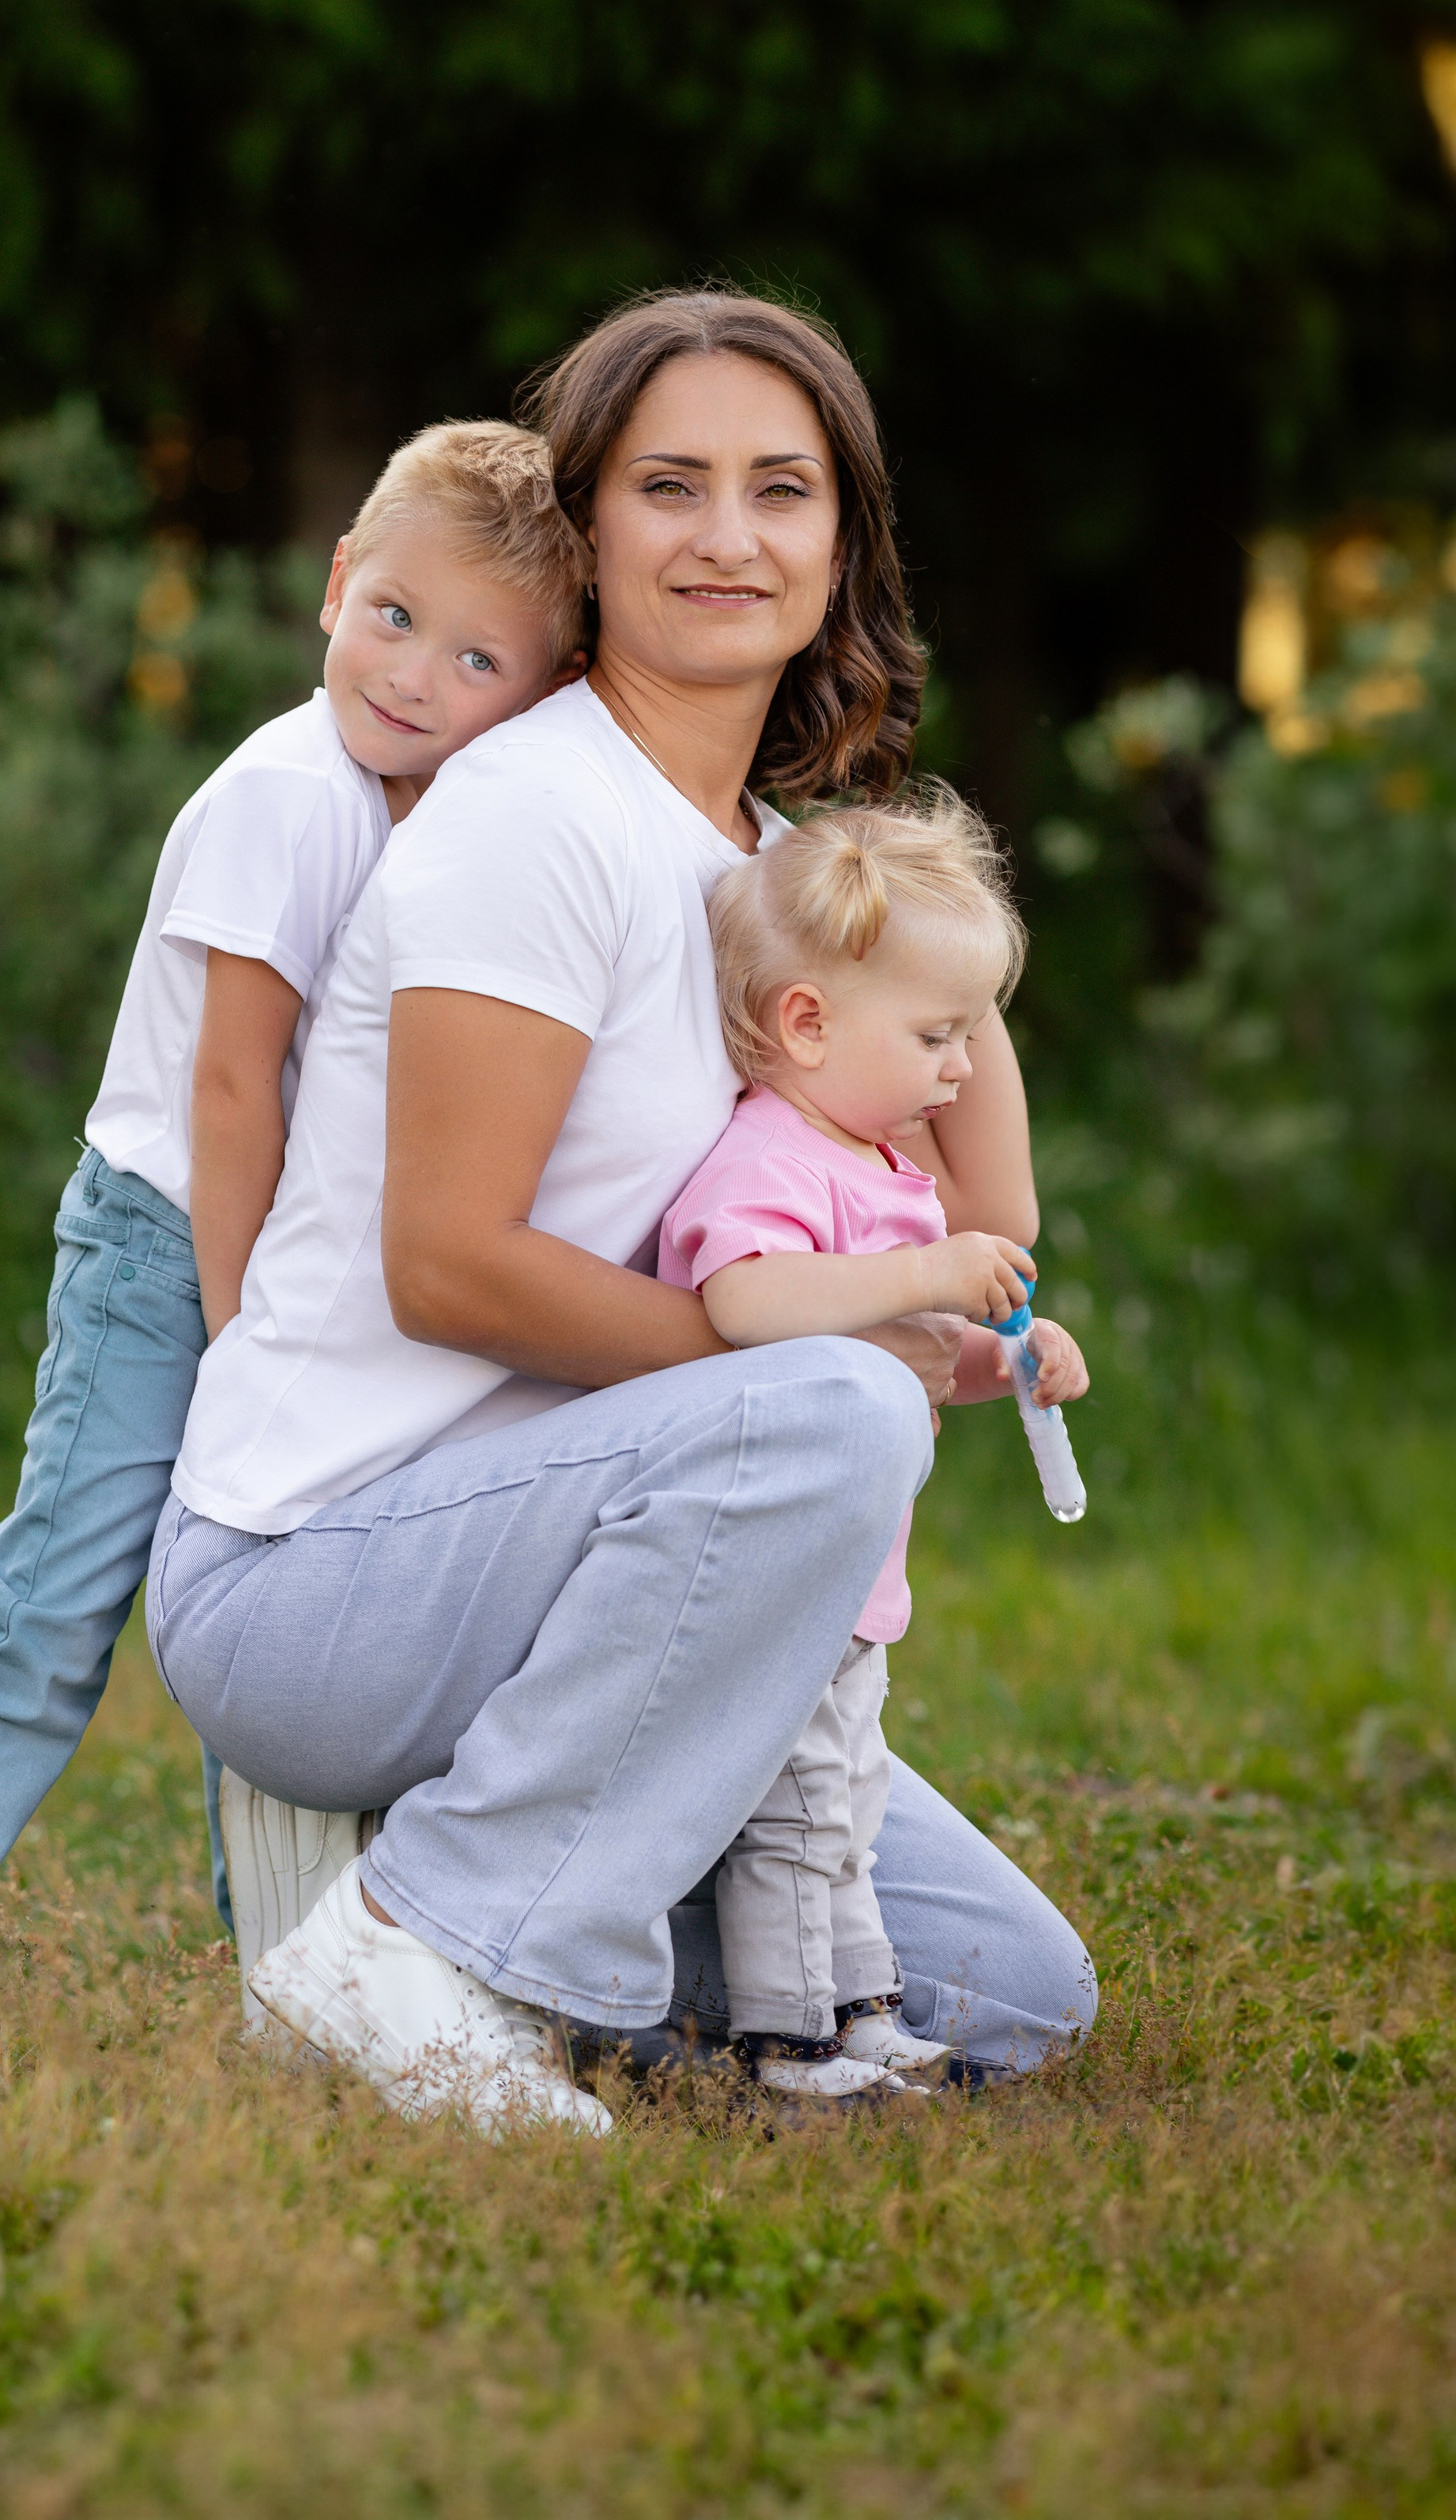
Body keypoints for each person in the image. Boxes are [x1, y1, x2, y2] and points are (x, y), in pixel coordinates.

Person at [149, 286, 1098, 2136]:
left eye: (780, 491)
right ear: (588, 531)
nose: (727, 536)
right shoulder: (535, 815)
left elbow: (987, 1218)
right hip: (321, 1567)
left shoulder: (773, 880)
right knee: (830, 1407)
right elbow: (444, 1267)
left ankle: (450, 1894)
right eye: (669, 486)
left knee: (1007, 1999)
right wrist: (793, 1387)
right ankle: (413, 1943)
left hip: (587, 1566)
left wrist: (922, 923)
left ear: (842, 546)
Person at [0, 422, 587, 2050]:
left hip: (274, 1258)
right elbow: (228, 1089)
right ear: (335, 585)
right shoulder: (290, 795)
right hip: (173, 1251)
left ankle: (284, 1973)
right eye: (395, 617)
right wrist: (241, 1340)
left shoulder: (437, 816)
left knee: (265, 1612)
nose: (414, 676)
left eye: (477, 658)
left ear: (542, 692)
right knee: (45, 1620)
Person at [656, 792, 1090, 2099]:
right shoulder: (771, 1159)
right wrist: (929, 1272)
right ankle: (789, 2040)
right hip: (772, 1574)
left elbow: (912, 1351)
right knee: (795, 1816)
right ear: (808, 1023)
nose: (962, 1069)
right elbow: (746, 1300)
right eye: (937, 1036)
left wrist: (1007, 1358)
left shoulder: (883, 1174)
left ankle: (862, 2013)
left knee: (846, 1804)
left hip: (849, 1586)